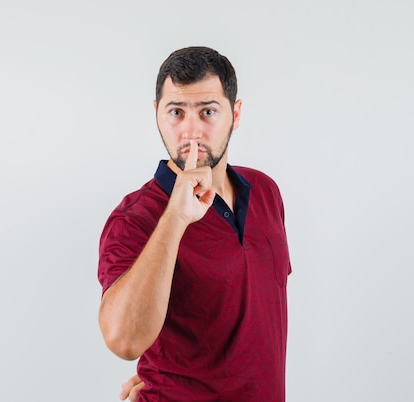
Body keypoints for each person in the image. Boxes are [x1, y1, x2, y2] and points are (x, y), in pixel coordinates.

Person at [97, 46, 292, 401]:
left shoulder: (265, 192)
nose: (191, 131)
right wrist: (176, 216)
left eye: (208, 111)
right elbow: (124, 341)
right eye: (176, 112)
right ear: (157, 114)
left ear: (235, 113)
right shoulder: (135, 219)